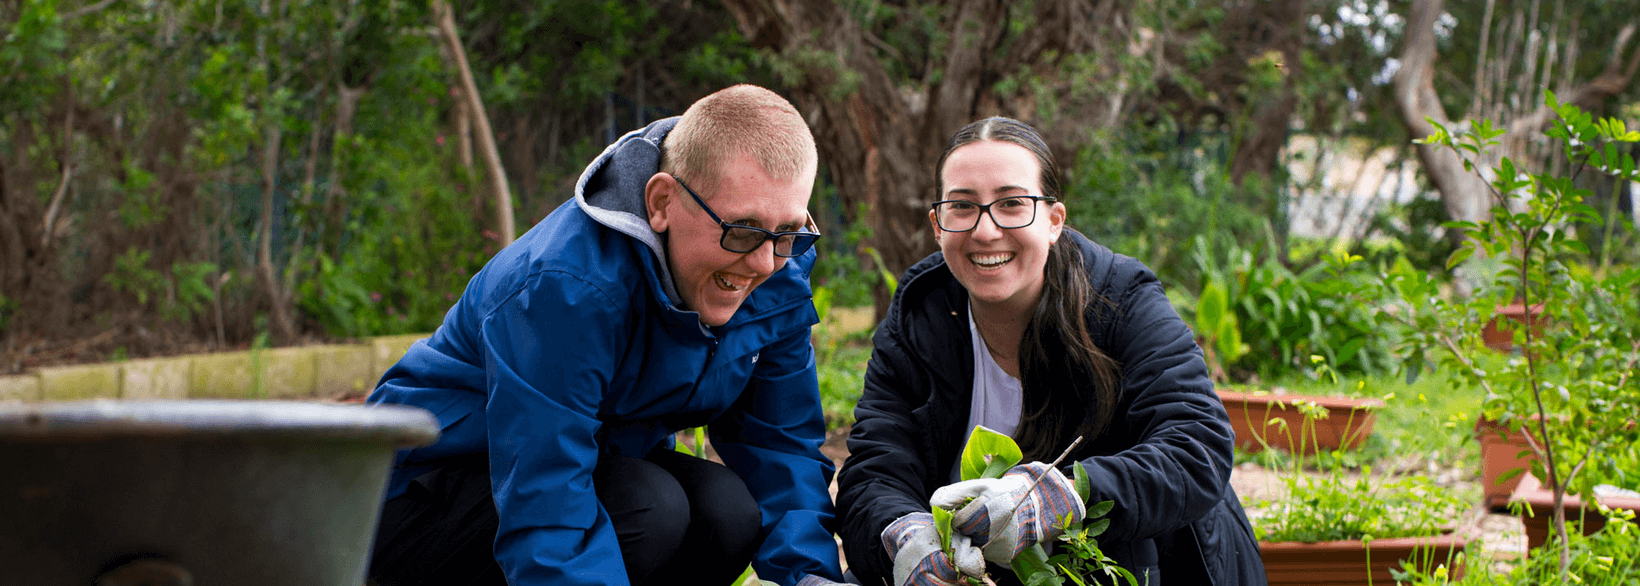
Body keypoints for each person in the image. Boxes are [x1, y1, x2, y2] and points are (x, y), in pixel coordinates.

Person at [365, 84, 844, 586]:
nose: (766, 262)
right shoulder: (567, 286)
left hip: (582, 468)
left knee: (726, 512)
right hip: (418, 501)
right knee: (648, 507)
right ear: (662, 202)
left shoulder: (774, 274)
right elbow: (544, 492)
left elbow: (781, 446)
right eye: (742, 230)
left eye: (788, 232)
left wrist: (811, 578)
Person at [835, 117, 1266, 586]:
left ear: (1054, 220)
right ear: (937, 225)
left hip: (1141, 566)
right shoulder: (921, 316)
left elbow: (1196, 446)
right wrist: (904, 535)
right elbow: (874, 472)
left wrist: (1062, 494)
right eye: (962, 207)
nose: (985, 230)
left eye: (1012, 203)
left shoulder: (1121, 299)